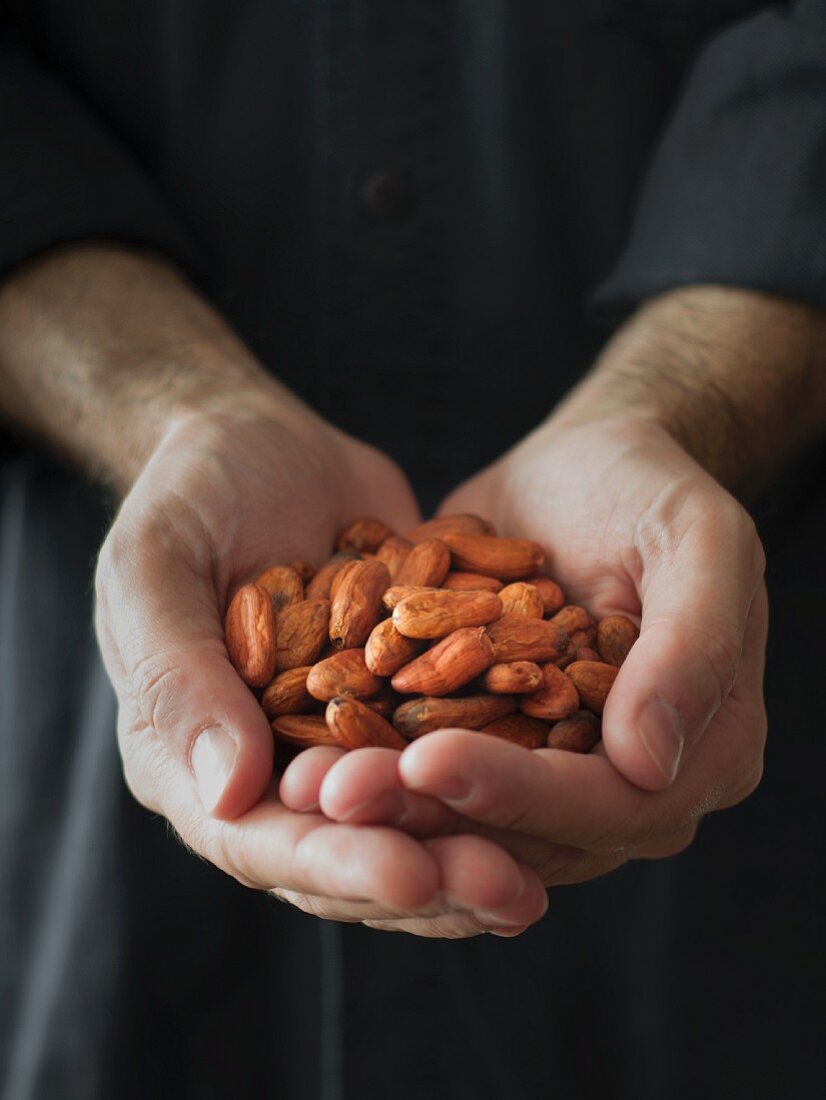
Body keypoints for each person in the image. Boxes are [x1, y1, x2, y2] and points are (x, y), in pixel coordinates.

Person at [0, 2, 823, 1097]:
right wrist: (175, 413)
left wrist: (676, 409)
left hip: (735, 700)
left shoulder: (509, 627)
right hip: (97, 764)